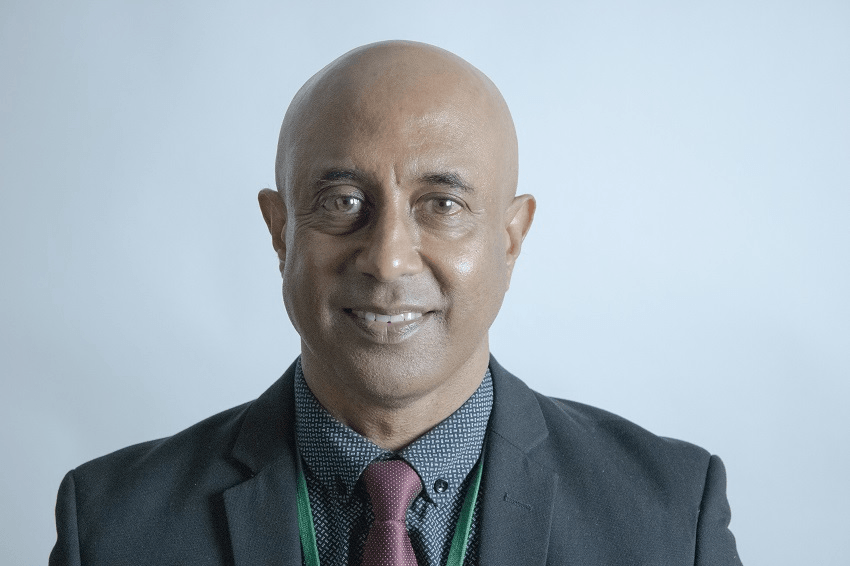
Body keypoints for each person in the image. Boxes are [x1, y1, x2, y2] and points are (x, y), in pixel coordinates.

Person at [49, 40, 742, 565]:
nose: (387, 259)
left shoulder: (672, 515)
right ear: (280, 229)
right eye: (342, 201)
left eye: (441, 204)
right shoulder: (112, 526)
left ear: (510, 235)